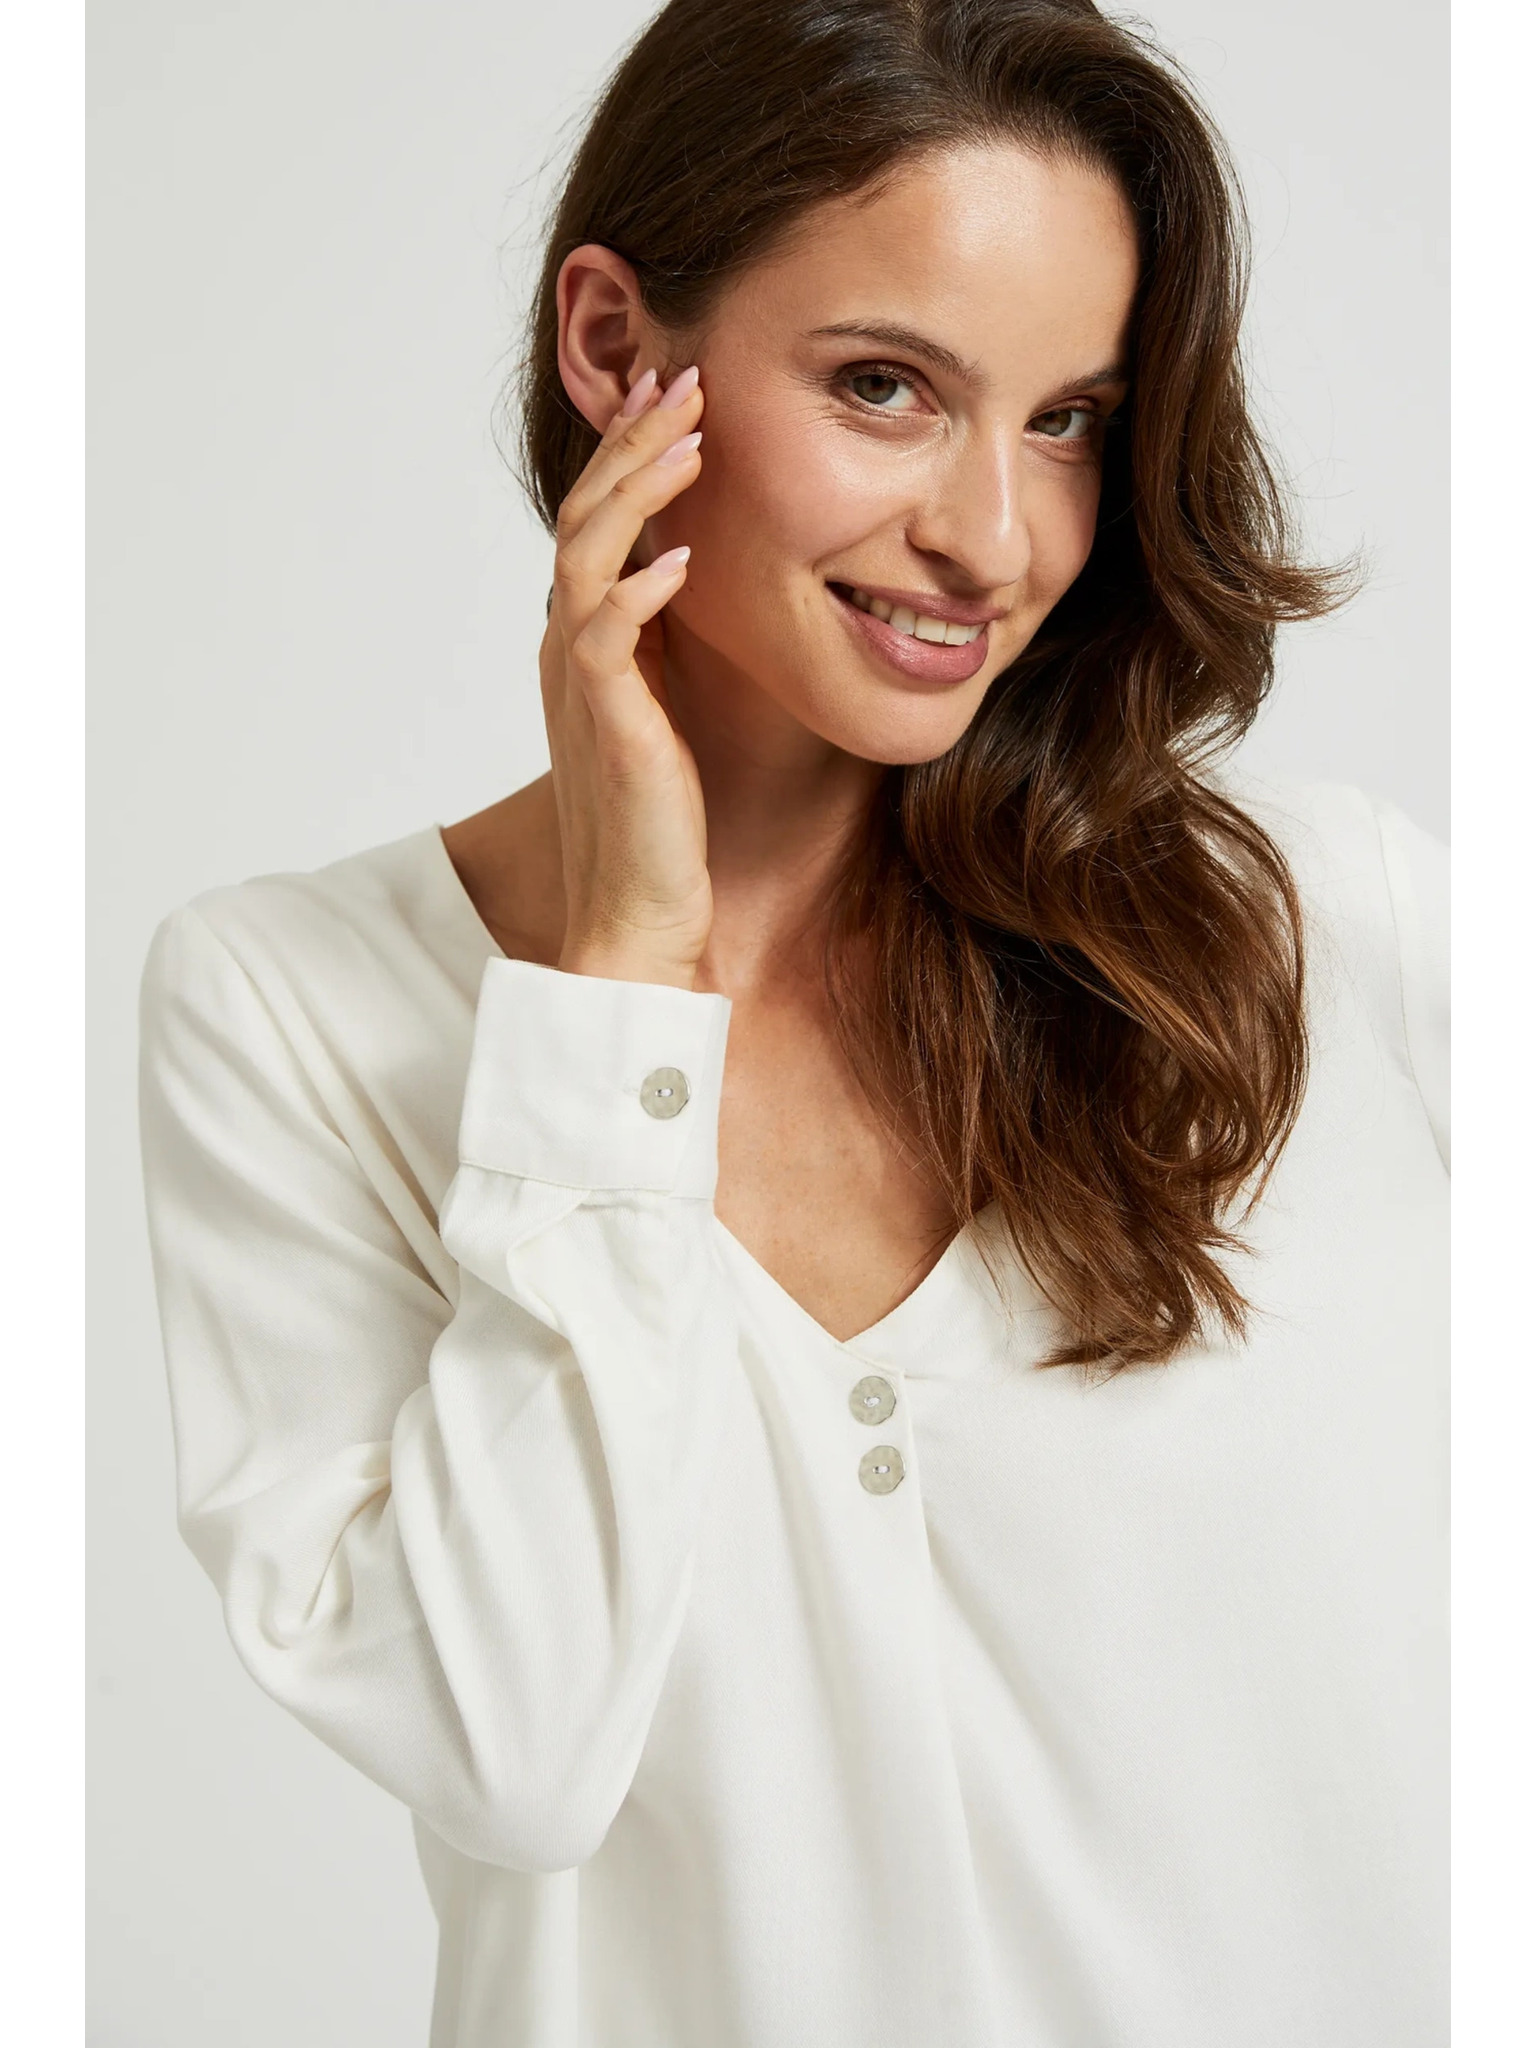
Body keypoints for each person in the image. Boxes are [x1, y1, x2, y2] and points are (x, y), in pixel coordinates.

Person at [137, 1, 1449, 2042]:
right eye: (884, 387)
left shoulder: (1319, 928)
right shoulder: (292, 1016)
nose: (992, 538)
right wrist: (620, 974)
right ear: (611, 347)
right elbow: (512, 1747)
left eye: (1068, 420)